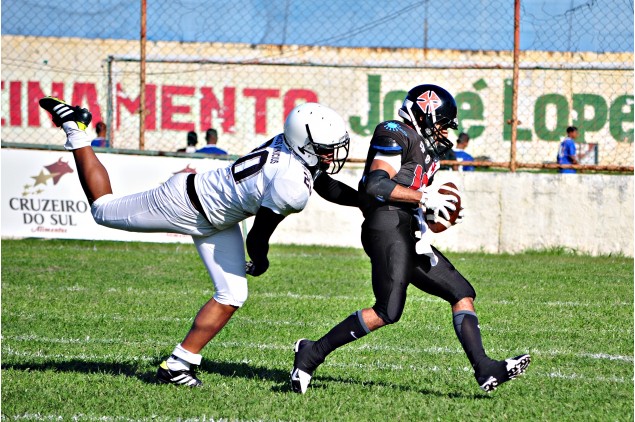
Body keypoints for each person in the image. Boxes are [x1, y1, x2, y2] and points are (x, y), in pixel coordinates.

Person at [39, 97, 358, 387]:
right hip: (185, 204)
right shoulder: (291, 183)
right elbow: (259, 235)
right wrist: (260, 261)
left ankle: (178, 364)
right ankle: (75, 129)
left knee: (232, 294)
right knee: (102, 209)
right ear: (303, 144)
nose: (332, 155)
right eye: (325, 149)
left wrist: (367, 203)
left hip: (220, 219)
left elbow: (324, 184)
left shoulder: (289, 148)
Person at [290, 85, 530, 394]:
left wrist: (437, 214)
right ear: (425, 115)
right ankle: (311, 353)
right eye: (442, 123)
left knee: (461, 292)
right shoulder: (395, 133)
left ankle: (485, 368)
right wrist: (424, 197)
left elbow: (411, 198)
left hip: (408, 229)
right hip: (386, 226)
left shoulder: (427, 152)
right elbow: (376, 185)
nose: (445, 131)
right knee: (387, 311)